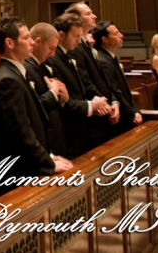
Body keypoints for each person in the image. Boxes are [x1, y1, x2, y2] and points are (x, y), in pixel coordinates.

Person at [0, 16, 72, 195]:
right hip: (19, 176)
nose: (32, 42)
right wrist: (48, 163)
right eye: (26, 38)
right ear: (10, 43)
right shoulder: (7, 80)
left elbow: (31, 123)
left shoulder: (15, 74)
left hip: (28, 168)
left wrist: (47, 156)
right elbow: (21, 133)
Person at [49, 13, 115, 156]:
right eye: (75, 36)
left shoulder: (67, 55)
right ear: (61, 35)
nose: (79, 41)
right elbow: (64, 101)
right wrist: (90, 106)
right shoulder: (54, 60)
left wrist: (96, 105)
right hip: (69, 130)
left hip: (80, 125)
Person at [25, 23, 70, 159]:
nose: (52, 54)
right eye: (51, 48)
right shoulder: (27, 68)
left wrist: (63, 97)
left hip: (55, 136)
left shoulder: (41, 66)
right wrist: (53, 93)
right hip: (43, 140)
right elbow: (32, 108)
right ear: (38, 42)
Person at [91, 21, 143, 132]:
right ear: (105, 39)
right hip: (120, 119)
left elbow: (125, 90)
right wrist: (131, 113)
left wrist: (136, 110)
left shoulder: (110, 57)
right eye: (116, 33)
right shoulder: (103, 60)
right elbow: (115, 90)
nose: (121, 35)